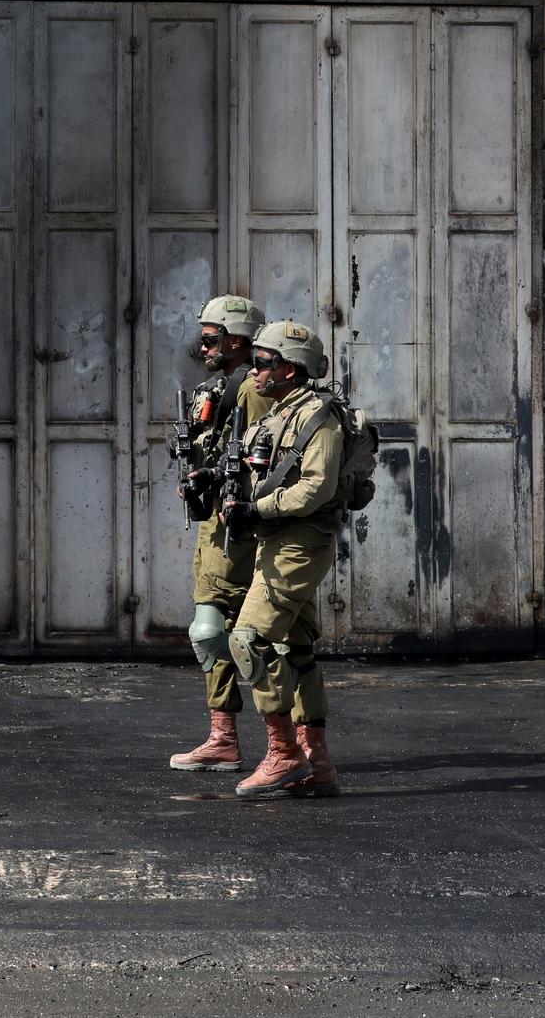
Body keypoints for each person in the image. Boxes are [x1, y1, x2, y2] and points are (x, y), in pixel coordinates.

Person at [221, 320, 343, 799]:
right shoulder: (278, 414)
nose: (255, 371)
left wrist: (260, 508)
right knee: (297, 649)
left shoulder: (319, 418)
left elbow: (318, 486)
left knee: (248, 639)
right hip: (276, 539)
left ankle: (284, 753)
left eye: (264, 362)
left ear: (292, 370)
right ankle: (319, 762)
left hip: (300, 540)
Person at [167, 294, 274, 774]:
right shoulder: (213, 389)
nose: (203, 347)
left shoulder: (255, 390)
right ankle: (222, 739)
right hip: (214, 527)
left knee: (264, 640)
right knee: (208, 632)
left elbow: (269, 460)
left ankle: (287, 744)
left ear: (235, 340)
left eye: (210, 339)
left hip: (249, 529)